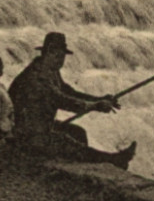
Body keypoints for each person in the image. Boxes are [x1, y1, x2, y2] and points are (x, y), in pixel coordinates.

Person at [8, 32, 136, 169]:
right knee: (65, 142)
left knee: (77, 133)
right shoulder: (37, 77)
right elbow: (62, 100)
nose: (61, 61)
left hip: (38, 126)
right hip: (24, 135)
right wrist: (95, 106)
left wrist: (99, 99)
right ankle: (114, 160)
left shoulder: (50, 71)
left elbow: (68, 92)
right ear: (49, 52)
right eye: (59, 56)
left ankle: (92, 165)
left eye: (62, 56)